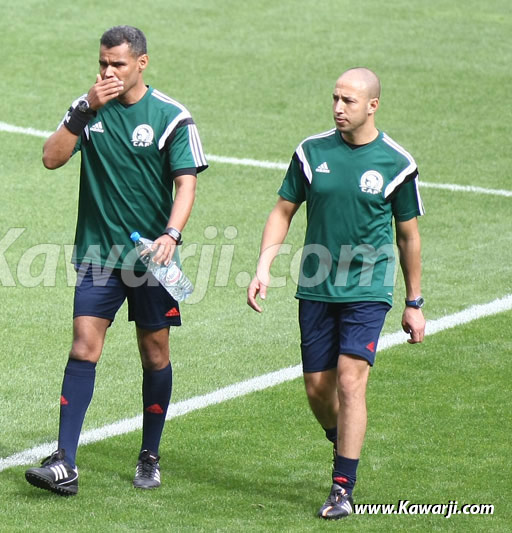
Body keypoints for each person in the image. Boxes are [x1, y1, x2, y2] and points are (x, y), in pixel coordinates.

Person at [24, 25, 207, 496]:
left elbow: (186, 183)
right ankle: (65, 460)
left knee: (155, 353)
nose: (108, 72)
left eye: (118, 65)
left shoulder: (171, 116)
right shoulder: (88, 109)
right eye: (102, 63)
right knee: (84, 346)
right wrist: (85, 108)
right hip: (99, 255)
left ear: (141, 64)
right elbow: (50, 157)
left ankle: (150, 454)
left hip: (152, 260)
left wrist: (172, 233)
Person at [247, 67, 426, 519]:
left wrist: (414, 302)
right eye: (334, 98)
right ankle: (341, 439)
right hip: (316, 287)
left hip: (368, 287)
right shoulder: (311, 152)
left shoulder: (396, 163)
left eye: (348, 100)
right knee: (316, 390)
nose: (338, 108)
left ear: (372, 105)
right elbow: (283, 210)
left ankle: (342, 486)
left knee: (351, 381)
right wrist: (264, 266)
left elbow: (408, 237)